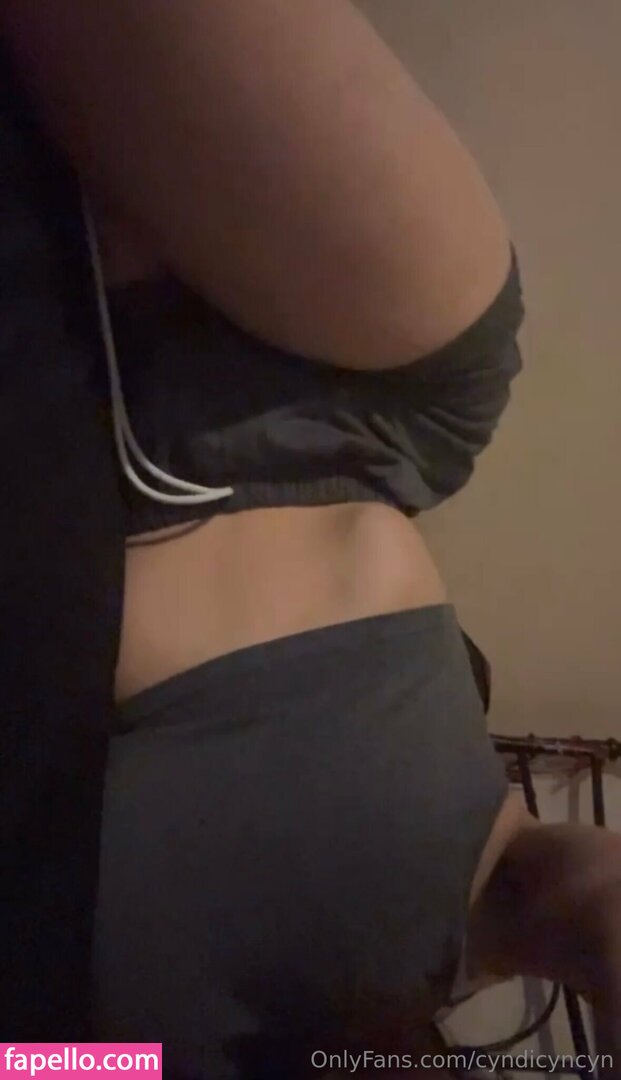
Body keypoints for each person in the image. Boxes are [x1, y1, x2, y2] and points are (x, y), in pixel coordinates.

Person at [3, 1, 620, 1075]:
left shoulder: (113, 1055)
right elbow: (592, 894)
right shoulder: (487, 928)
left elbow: (27, 1062)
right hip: (359, 419)